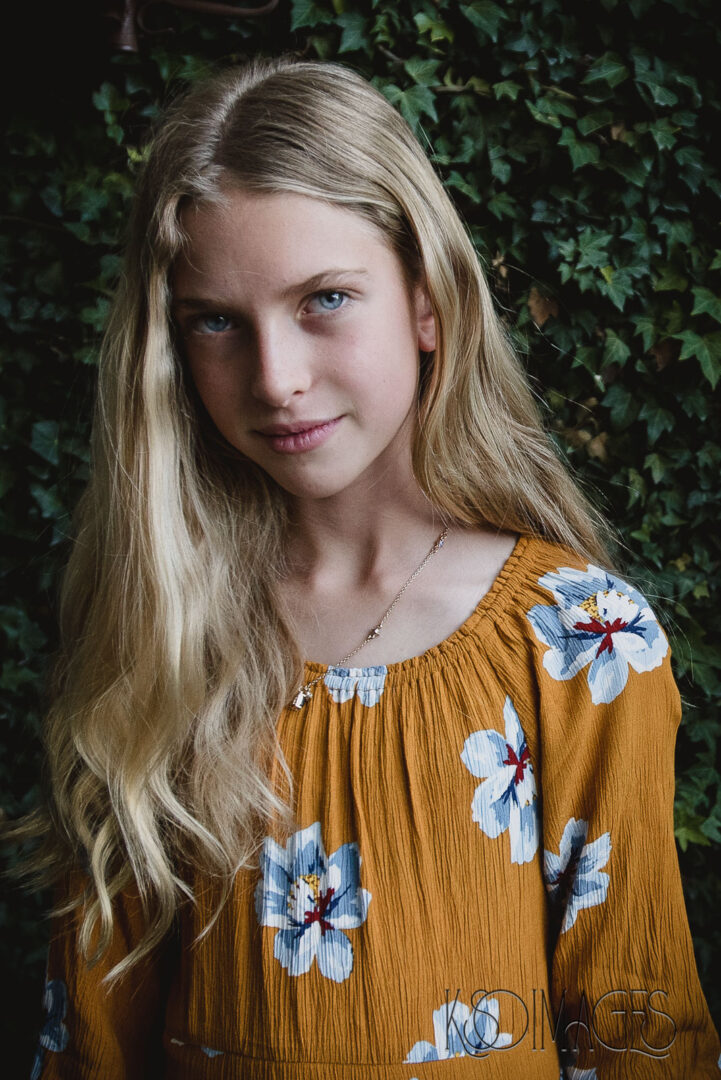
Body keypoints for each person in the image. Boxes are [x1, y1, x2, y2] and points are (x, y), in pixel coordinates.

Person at [16, 56, 719, 1078]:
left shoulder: (580, 640)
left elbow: (635, 1029)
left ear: (427, 303)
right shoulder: (158, 626)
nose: (275, 378)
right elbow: (88, 1030)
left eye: (326, 299)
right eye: (216, 321)